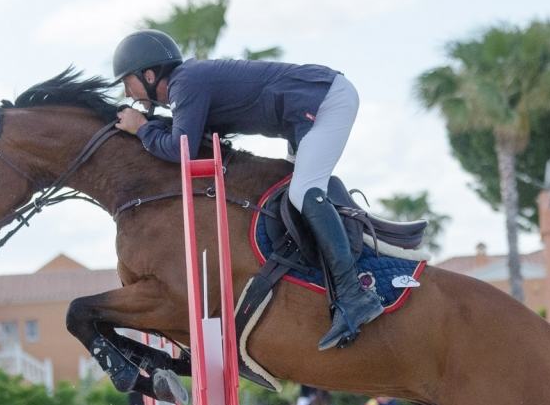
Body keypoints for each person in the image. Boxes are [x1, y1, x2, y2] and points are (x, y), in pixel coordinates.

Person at [111, 29, 384, 350]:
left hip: (325, 102)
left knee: (302, 191)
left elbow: (179, 150)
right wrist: (146, 128)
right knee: (295, 192)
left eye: (127, 82)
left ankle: (353, 295)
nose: (128, 93)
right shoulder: (186, 87)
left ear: (149, 73)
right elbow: (189, 141)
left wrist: (142, 128)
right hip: (305, 117)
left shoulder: (186, 83)